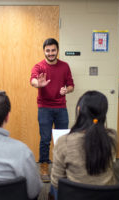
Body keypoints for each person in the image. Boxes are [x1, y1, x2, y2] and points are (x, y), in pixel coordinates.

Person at [50, 91, 117, 199]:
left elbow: (56, 181)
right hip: (106, 196)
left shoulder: (64, 141)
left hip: (75, 196)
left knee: (52, 187)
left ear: (79, 110)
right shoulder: (112, 137)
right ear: (104, 113)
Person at [30, 38, 74, 182]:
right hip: (44, 108)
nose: (50, 53)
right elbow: (33, 80)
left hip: (61, 108)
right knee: (45, 139)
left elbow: (71, 86)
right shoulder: (39, 67)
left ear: (57, 50)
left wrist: (66, 90)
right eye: (48, 50)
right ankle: (44, 168)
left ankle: (61, 168)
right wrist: (39, 84)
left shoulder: (65, 66)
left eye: (53, 50)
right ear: (44, 51)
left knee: (62, 140)